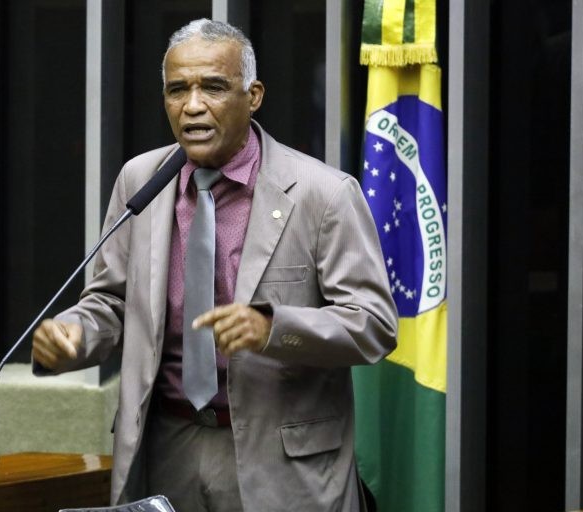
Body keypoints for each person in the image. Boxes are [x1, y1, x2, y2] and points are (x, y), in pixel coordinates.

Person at [32, 18, 397, 512]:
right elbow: (110, 302)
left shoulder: (323, 194)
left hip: (284, 461)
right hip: (167, 445)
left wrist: (272, 326)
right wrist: (73, 335)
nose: (193, 105)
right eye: (177, 90)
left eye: (214, 87)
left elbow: (373, 325)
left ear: (254, 95)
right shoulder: (140, 180)